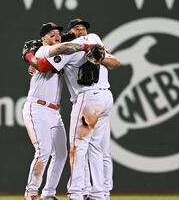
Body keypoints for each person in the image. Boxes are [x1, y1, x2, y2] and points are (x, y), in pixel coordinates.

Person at [26, 19, 120, 200]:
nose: (81, 31)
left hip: (88, 98)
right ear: (70, 33)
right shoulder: (93, 41)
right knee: (96, 149)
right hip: (105, 98)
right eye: (77, 29)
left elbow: (45, 65)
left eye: (83, 28)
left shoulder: (85, 41)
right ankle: (99, 193)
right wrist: (32, 57)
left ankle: (76, 193)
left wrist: (30, 57)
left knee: (78, 147)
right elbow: (115, 63)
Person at [22, 22, 92, 200]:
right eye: (51, 34)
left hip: (54, 111)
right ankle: (31, 193)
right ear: (43, 38)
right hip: (37, 107)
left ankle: (48, 193)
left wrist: (29, 56)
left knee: (60, 154)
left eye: (58, 34)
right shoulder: (43, 51)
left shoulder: (57, 53)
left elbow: (64, 46)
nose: (56, 36)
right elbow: (44, 63)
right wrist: (31, 57)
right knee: (43, 151)